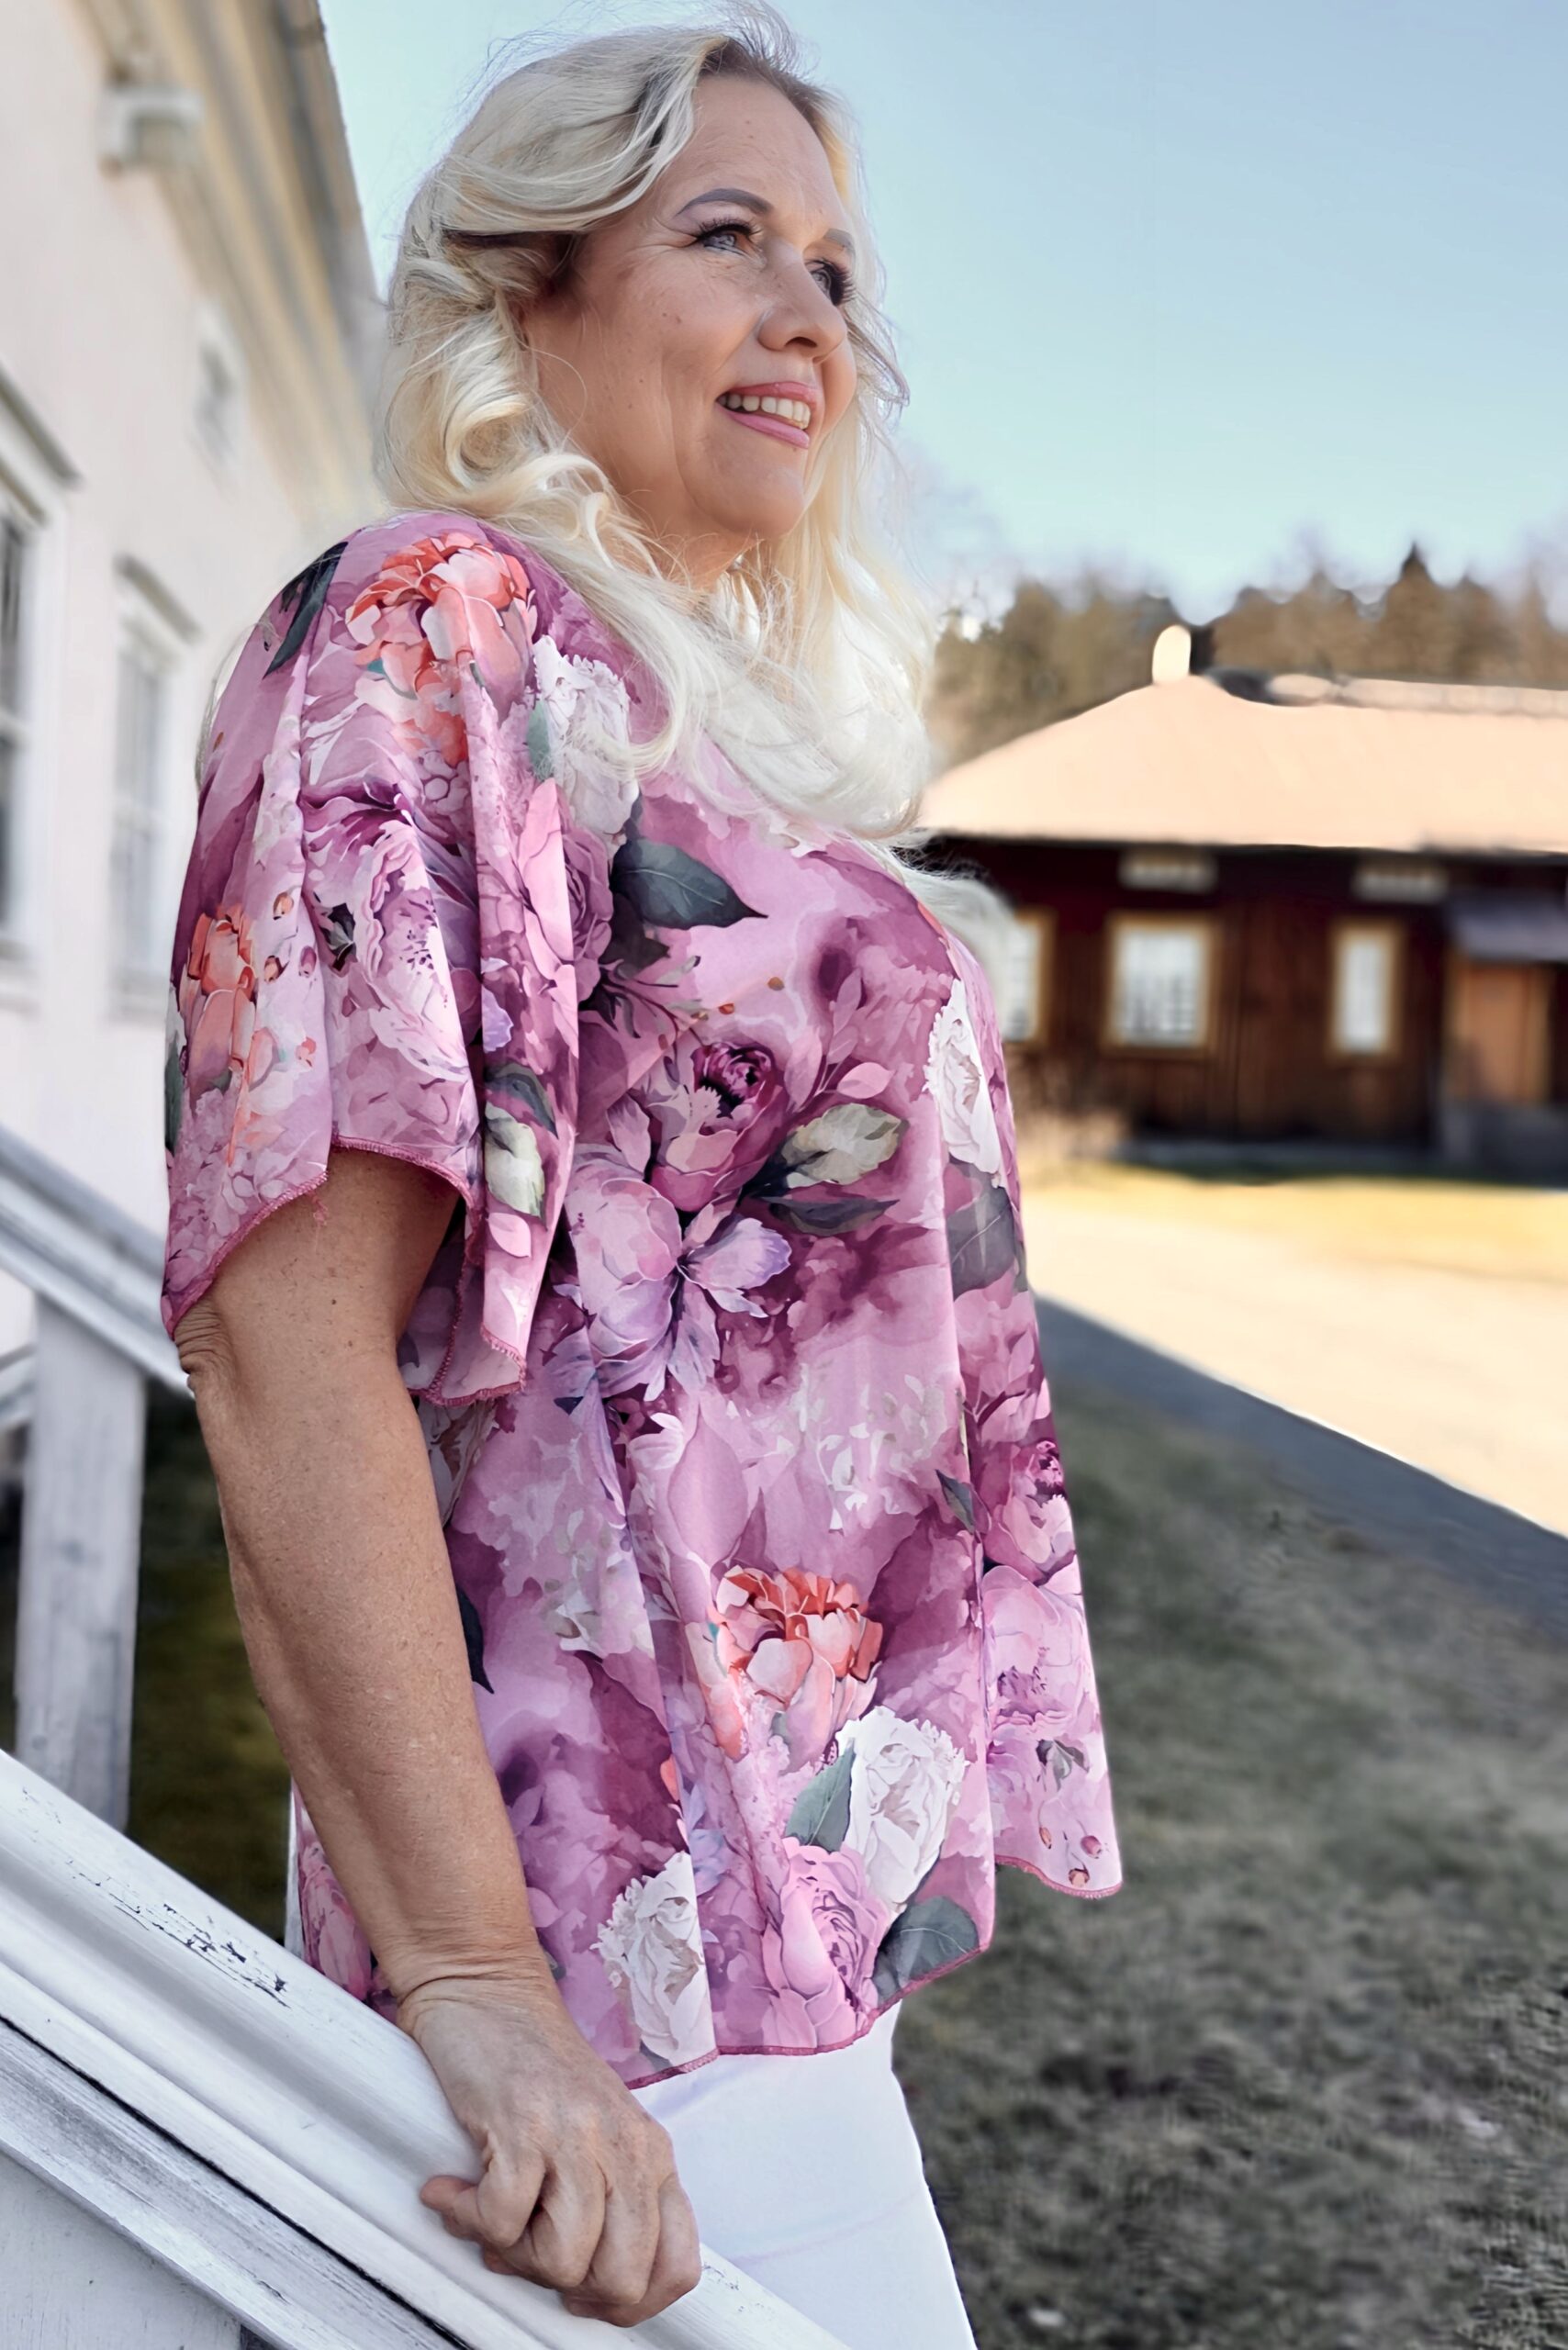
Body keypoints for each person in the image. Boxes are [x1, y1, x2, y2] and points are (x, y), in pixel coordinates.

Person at [161, 9, 1122, 2342]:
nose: (810, 317)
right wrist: (477, 1978)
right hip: (594, 1940)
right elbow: (286, 1334)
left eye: (835, 270)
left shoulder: (693, 729)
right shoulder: (438, 624)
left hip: (766, 1930)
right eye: (726, 236)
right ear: (531, 285)